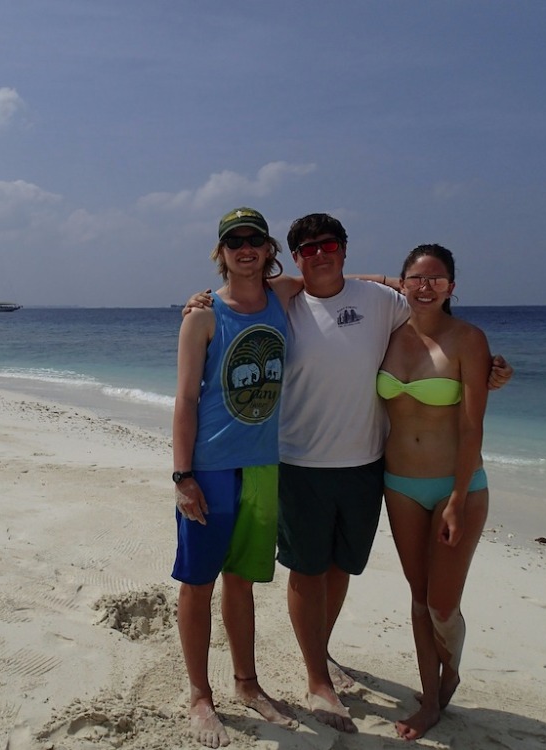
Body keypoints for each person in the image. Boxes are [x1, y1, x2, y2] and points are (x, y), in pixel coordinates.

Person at [185, 212, 511, 734]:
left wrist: (488, 369)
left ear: (343, 248)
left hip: (367, 463)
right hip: (298, 461)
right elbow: (237, 302)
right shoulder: (282, 300)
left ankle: (322, 651)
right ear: (294, 257)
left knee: (341, 568)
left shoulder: (382, 301)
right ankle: (317, 679)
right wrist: (200, 301)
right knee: (306, 569)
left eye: (329, 245)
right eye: (308, 248)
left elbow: (431, 317)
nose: (320, 254)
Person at [172, 207, 299, 748]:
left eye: (255, 240)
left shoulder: (284, 295)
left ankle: (247, 683)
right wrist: (182, 475)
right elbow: (185, 400)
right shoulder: (203, 316)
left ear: (269, 249)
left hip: (263, 464)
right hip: (211, 466)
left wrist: (402, 285)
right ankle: (200, 695)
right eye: (234, 241)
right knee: (198, 582)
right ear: (221, 253)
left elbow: (340, 283)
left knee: (242, 580)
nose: (245, 248)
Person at [378, 244, 490, 740]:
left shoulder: (468, 339)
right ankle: (429, 695)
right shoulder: (385, 335)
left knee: (443, 604)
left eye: (437, 279)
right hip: (399, 483)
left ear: (452, 287)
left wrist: (458, 499)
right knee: (418, 598)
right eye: (416, 278)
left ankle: (453, 668)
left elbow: (471, 428)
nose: (426, 288)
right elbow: (338, 285)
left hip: (455, 487)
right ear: (401, 282)